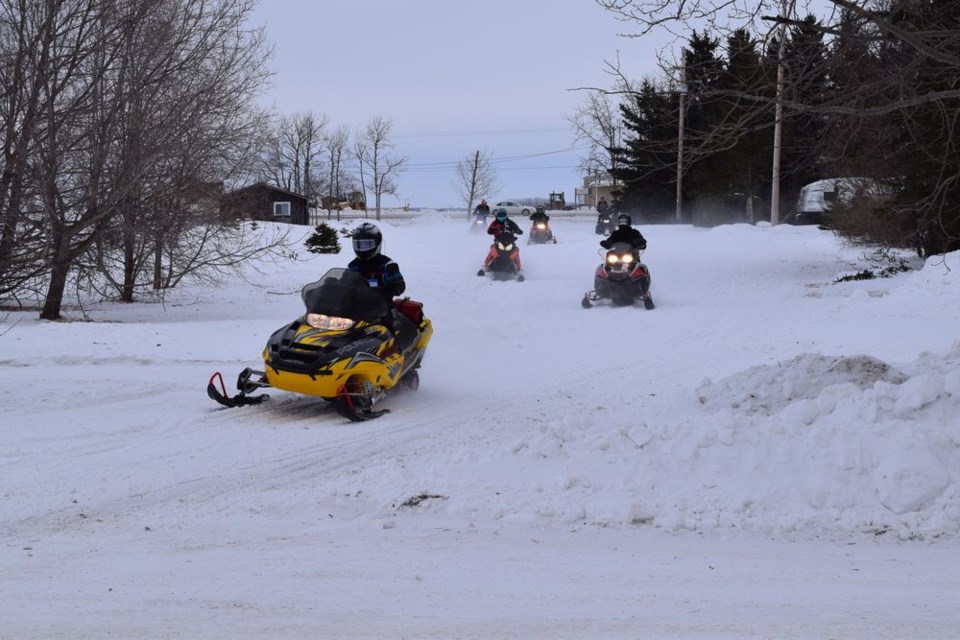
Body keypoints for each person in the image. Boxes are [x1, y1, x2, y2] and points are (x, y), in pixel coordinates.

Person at [346, 223, 416, 350]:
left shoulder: (387, 264)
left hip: (381, 308)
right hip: (356, 307)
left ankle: (397, 355)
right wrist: (334, 284)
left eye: (366, 244)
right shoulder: (353, 265)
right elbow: (345, 281)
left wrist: (393, 287)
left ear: (377, 244)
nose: (362, 249)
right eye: (359, 245)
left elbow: (398, 281)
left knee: (388, 329)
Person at [482, 208, 523, 273]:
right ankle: (485, 265)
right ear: (497, 215)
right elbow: (489, 231)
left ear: (506, 215)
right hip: (499, 240)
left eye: (503, 215)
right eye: (500, 215)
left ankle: (519, 268)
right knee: (493, 249)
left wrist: (518, 231)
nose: (501, 217)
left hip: (510, 240)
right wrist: (493, 229)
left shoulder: (510, 222)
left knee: (516, 250)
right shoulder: (494, 223)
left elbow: (518, 229)